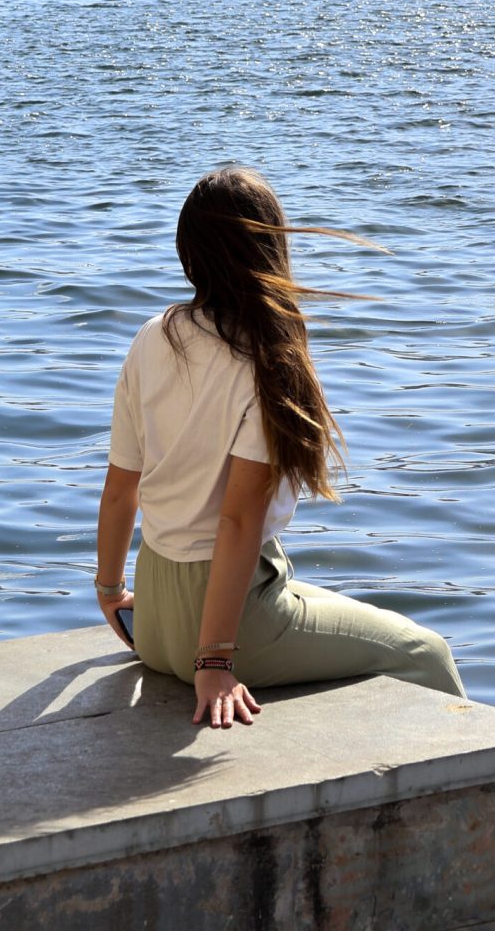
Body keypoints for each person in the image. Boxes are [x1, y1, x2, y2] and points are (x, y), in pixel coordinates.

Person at [95, 166, 465, 728]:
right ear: (270, 252)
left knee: (343, 611)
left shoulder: (152, 336)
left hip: (153, 617)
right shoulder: (265, 360)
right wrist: (216, 660)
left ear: (188, 254)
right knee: (424, 652)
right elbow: (239, 522)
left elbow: (120, 489)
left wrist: (110, 591)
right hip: (231, 627)